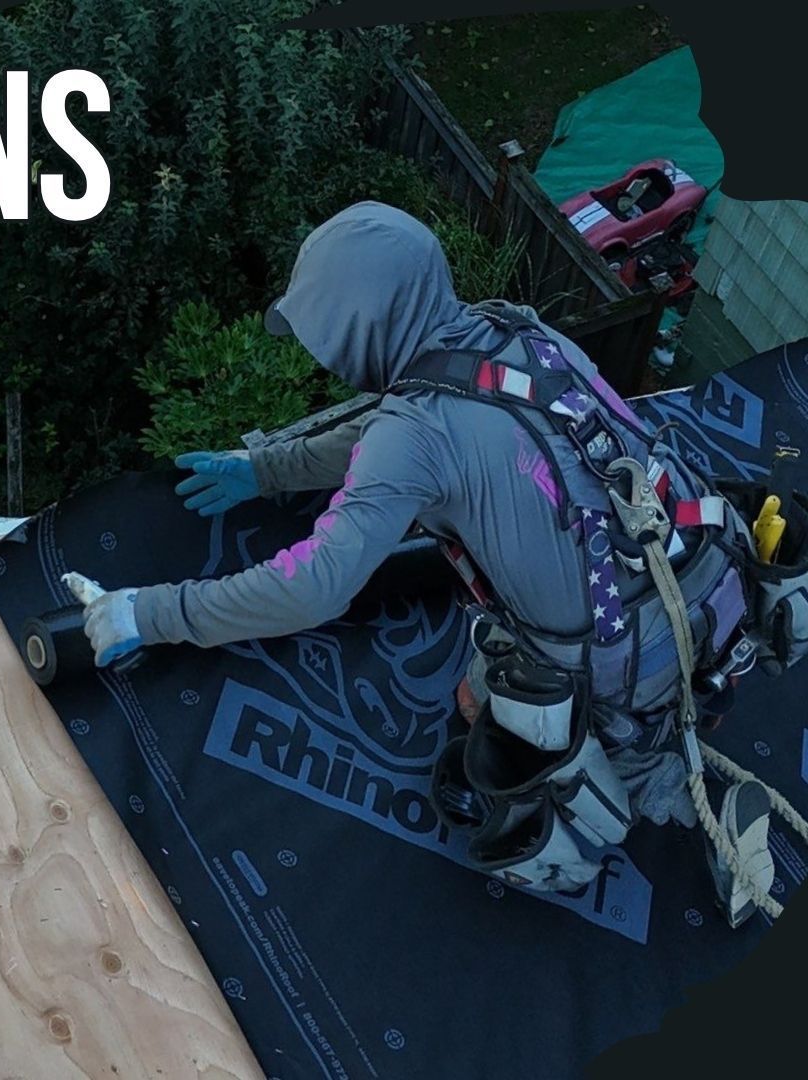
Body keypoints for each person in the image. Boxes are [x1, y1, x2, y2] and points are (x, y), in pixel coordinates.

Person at [77, 201, 789, 924]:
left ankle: (681, 794)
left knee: (489, 708)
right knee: (532, 671)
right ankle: (689, 709)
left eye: (321, 334)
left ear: (357, 328)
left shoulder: (414, 435)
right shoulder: (513, 331)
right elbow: (389, 435)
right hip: (709, 579)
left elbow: (315, 585)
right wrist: (266, 469)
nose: (318, 354)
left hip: (636, 662)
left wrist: (151, 612)